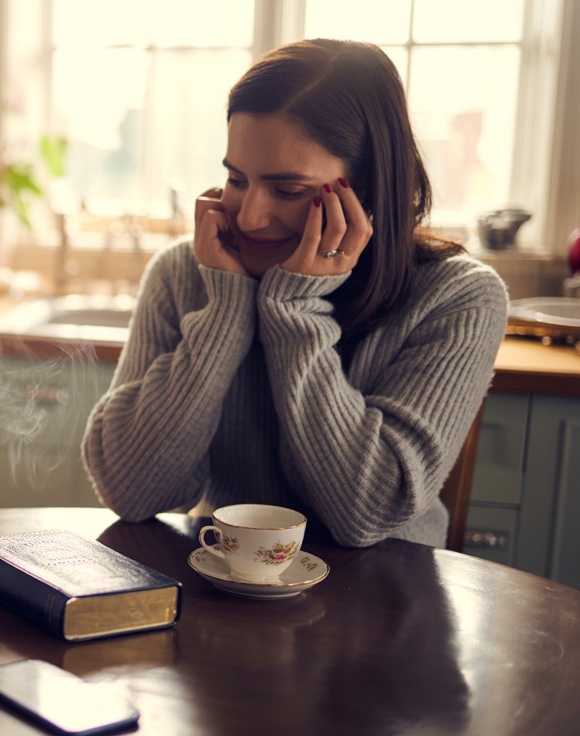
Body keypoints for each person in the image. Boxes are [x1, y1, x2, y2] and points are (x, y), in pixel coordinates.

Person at [82, 39, 507, 548]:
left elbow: (367, 515)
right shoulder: (185, 272)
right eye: (236, 179)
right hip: (224, 590)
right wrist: (225, 312)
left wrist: (293, 312)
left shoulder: (460, 297)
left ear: (367, 190)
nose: (248, 216)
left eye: (288, 190)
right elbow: (131, 492)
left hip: (386, 600)